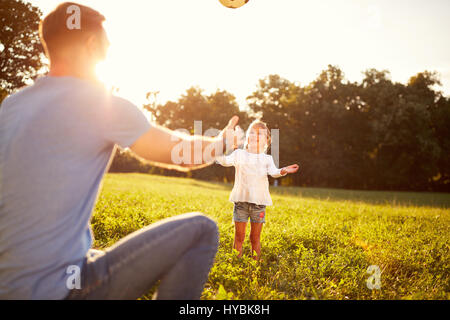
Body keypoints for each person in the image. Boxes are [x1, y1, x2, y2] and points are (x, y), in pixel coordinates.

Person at [0, 2, 240, 300]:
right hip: (61, 291)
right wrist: (223, 144)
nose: (108, 50)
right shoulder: (98, 103)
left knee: (95, 252)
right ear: (90, 44)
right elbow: (179, 153)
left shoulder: (12, 106)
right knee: (201, 230)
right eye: (105, 45)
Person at [215, 120, 299, 260]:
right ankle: (236, 264)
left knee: (255, 238)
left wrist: (284, 170)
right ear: (248, 137)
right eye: (252, 132)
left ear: (266, 140)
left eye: (260, 133)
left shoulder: (267, 158)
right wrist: (216, 150)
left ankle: (255, 267)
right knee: (239, 237)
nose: (255, 135)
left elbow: (274, 172)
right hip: (241, 203)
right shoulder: (239, 154)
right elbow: (224, 161)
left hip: (259, 204)